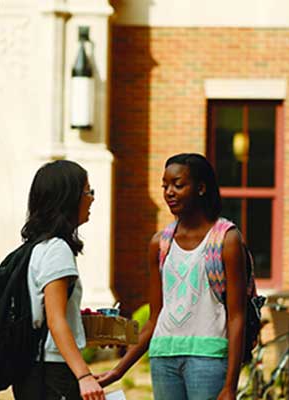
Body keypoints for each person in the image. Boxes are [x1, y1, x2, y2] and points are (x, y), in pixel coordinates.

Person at [96, 153, 247, 400]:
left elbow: (237, 316)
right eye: (165, 186)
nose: (169, 192)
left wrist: (230, 385)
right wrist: (117, 371)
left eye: (178, 185)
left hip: (209, 359)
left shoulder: (226, 239)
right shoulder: (160, 243)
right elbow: (154, 318)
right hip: (163, 358)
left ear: (201, 188)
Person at [13, 160, 104, 400]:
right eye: (87, 191)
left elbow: (44, 313)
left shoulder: (37, 247)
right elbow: (55, 319)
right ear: (69, 197)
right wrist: (84, 376)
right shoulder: (57, 249)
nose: (92, 198)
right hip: (52, 370)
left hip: (34, 367)